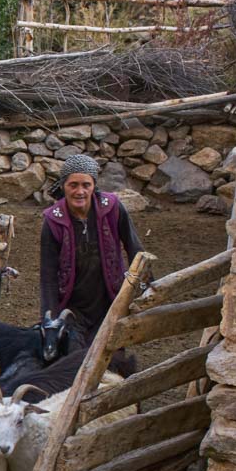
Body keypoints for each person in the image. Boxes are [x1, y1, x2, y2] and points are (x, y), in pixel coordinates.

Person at [39, 154, 149, 368]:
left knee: (110, 360)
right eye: (73, 185)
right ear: (63, 186)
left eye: (86, 185)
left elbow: (135, 248)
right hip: (72, 307)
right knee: (75, 362)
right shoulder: (53, 221)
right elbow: (48, 276)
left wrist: (147, 287)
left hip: (110, 301)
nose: (79, 191)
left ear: (94, 186)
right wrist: (50, 320)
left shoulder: (112, 208)